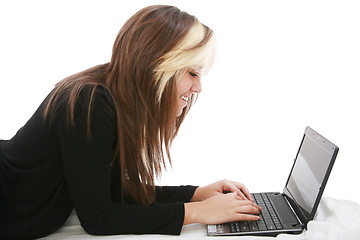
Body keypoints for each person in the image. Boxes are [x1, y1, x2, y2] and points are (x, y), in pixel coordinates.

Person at [0, 5, 261, 240]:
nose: (198, 88)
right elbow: (99, 218)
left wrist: (196, 194)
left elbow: (109, 194)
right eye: (191, 72)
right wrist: (196, 212)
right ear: (157, 68)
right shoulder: (90, 102)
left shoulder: (112, 98)